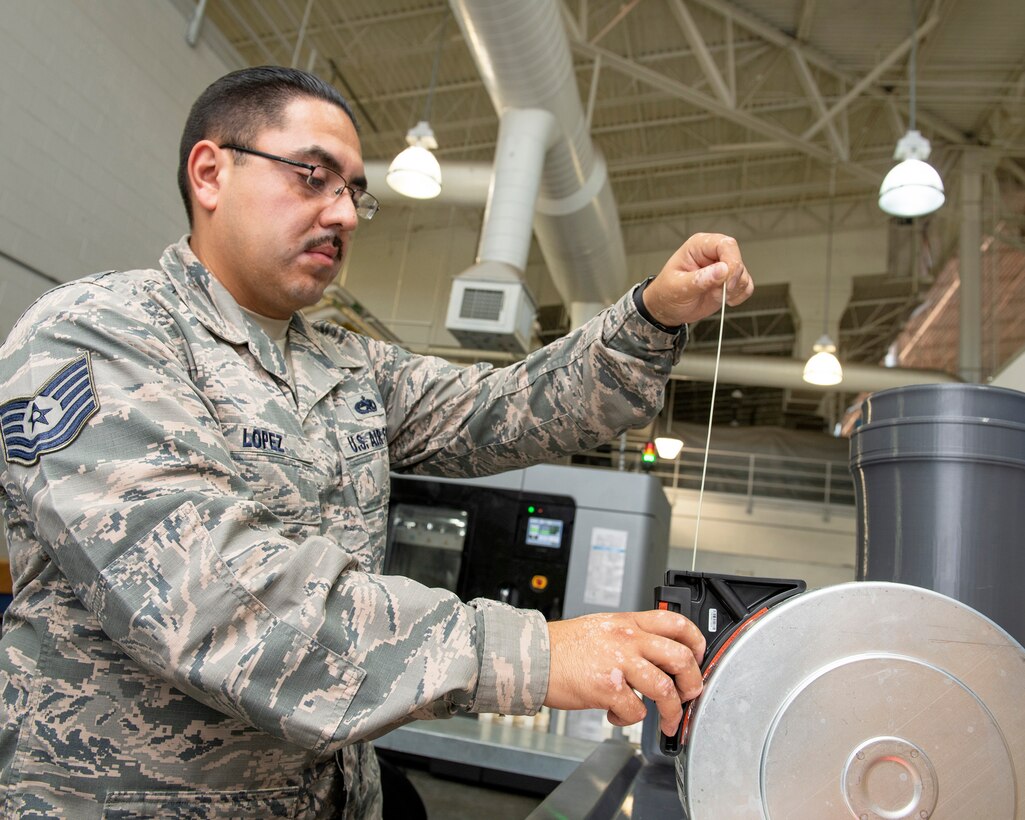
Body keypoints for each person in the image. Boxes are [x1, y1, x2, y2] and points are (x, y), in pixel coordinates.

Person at [0, 66, 752, 818]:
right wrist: (533, 654)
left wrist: (651, 317)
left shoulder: (346, 363)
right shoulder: (97, 334)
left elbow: (506, 408)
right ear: (210, 172)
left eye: (355, 192)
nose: (345, 214)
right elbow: (212, 597)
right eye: (312, 176)